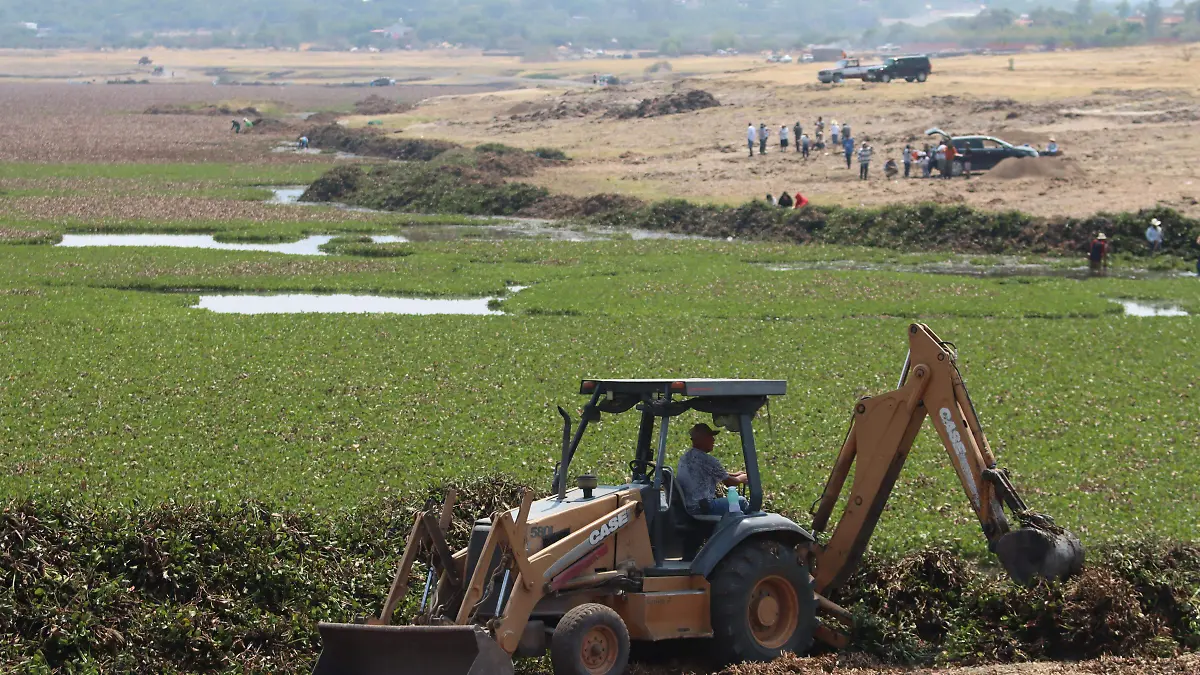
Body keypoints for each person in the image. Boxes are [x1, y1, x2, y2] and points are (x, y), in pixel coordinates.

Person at [676, 423, 749, 516]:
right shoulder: (707, 460)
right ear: (702, 439)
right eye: (710, 437)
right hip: (702, 508)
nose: (713, 440)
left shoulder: (685, 457)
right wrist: (742, 478)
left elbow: (715, 473)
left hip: (689, 506)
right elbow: (730, 482)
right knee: (741, 501)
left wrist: (735, 474)